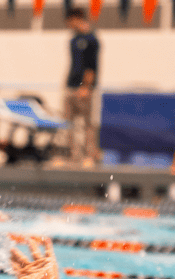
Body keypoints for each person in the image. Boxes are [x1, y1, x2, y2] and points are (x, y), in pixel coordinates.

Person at [63, 8, 100, 166]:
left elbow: (91, 66)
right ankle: (73, 155)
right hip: (71, 86)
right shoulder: (73, 40)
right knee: (68, 123)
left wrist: (86, 86)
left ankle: (89, 155)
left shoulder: (91, 39)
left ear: (77, 19)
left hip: (84, 88)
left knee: (87, 124)